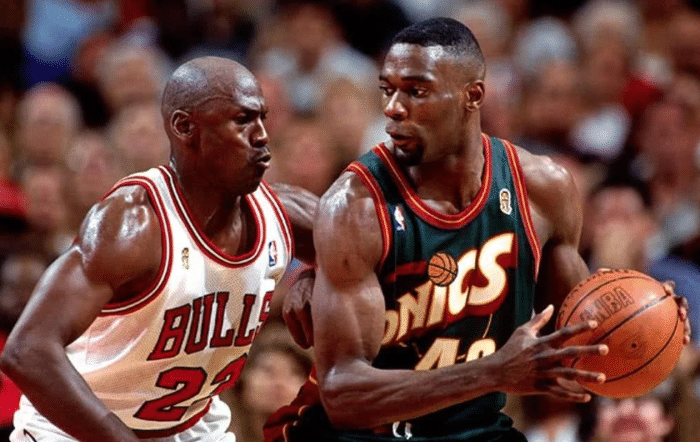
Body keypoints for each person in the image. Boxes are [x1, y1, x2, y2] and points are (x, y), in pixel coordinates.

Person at [264, 18, 691, 442]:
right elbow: (342, 397)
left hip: (472, 428)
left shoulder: (542, 190)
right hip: (363, 433)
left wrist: (648, 322)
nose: (393, 107)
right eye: (387, 89)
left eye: (416, 91)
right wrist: (492, 373)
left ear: (474, 96)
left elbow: (576, 343)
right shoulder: (355, 205)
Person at [0, 56, 317, 442]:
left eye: (262, 118)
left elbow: (373, 253)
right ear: (185, 128)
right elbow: (27, 351)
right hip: (75, 431)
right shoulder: (132, 225)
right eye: (242, 120)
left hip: (188, 426)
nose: (263, 135)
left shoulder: (283, 213)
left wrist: (310, 274)